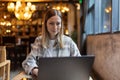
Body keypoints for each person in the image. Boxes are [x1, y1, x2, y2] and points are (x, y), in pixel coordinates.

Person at [22, 9, 81, 78]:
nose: (55, 27)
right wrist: (36, 71)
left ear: (61, 24)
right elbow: (28, 61)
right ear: (45, 24)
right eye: (51, 23)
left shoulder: (69, 41)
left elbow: (78, 62)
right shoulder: (39, 41)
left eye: (58, 23)